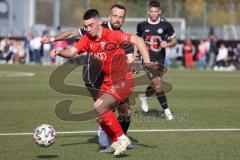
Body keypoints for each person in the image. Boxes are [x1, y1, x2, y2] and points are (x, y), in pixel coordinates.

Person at [49, 9, 154, 156]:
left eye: (91, 25)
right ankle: (116, 140)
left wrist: (147, 62)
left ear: (99, 22)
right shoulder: (87, 39)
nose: (87, 29)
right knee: (100, 115)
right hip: (107, 81)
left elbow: (138, 40)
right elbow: (72, 51)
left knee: (101, 106)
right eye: (85, 26)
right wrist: (59, 51)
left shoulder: (113, 35)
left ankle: (122, 138)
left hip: (123, 81)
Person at [135, 0, 177, 120]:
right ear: (148, 11)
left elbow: (175, 40)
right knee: (158, 85)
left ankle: (144, 96)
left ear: (160, 12)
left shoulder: (166, 25)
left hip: (160, 60)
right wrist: (135, 54)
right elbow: (136, 40)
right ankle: (167, 111)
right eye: (151, 11)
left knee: (155, 86)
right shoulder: (142, 25)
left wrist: (167, 44)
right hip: (147, 59)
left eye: (156, 12)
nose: (153, 14)